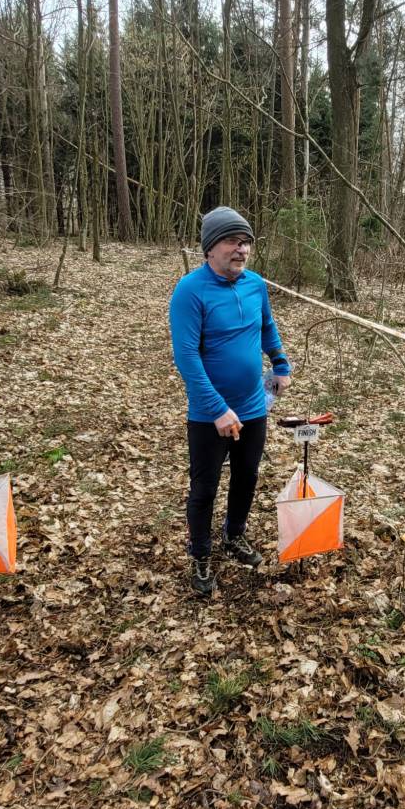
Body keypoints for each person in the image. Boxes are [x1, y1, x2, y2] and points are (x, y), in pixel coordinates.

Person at [169, 206, 291, 594]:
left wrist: (280, 363)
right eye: (232, 242)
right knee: (204, 488)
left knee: (247, 476)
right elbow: (186, 357)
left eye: (246, 242)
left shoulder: (255, 285)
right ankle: (200, 554)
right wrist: (218, 409)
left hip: (254, 405)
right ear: (210, 248)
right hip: (210, 414)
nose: (242, 249)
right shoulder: (190, 290)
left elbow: (267, 326)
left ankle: (234, 534)